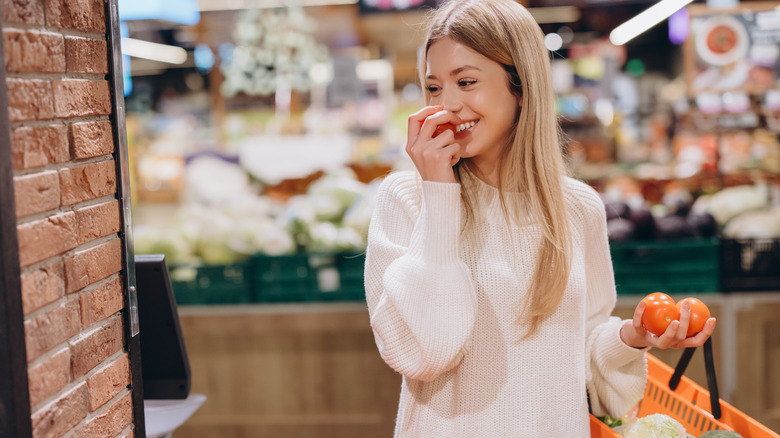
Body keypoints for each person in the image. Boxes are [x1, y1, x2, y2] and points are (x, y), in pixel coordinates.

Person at [363, 0, 717, 436]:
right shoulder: (407, 199)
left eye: (467, 82)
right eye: (434, 88)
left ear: (522, 86)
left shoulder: (577, 207)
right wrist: (439, 192)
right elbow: (426, 353)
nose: (447, 105)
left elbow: (575, 352)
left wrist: (633, 335)